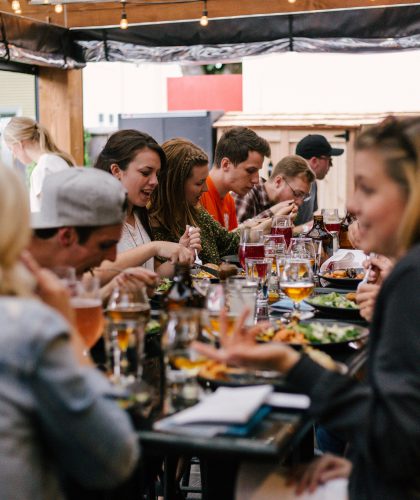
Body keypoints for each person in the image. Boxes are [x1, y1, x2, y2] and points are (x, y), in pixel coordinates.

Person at [195, 116, 420, 498]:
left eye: (366, 188)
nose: (351, 203)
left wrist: (291, 365)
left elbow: (395, 440)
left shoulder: (410, 278)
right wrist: (359, 461)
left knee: (244, 482)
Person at [0, 164, 139, 499]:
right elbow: (115, 459)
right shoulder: (28, 321)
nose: (114, 257)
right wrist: (66, 331)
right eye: (107, 244)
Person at [29, 167, 158, 303]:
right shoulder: (12, 274)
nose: (112, 257)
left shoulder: (59, 264)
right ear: (66, 236)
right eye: (105, 245)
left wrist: (112, 288)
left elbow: (72, 301)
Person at [94, 129, 196, 277]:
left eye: (157, 174)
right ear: (116, 171)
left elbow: (153, 273)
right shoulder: (94, 216)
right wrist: (154, 247)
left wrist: (179, 258)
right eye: (145, 172)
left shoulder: (138, 214)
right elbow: (93, 275)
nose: (155, 181)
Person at [150, 138, 242, 265]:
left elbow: (230, 242)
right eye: (199, 183)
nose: (206, 188)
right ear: (176, 185)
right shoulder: (149, 228)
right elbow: (160, 280)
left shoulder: (196, 213)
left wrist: (268, 223)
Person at [200, 126, 271, 230]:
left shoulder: (229, 201)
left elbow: (231, 245)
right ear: (225, 164)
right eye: (250, 171)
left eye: (258, 171)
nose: (256, 180)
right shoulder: (198, 196)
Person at [3, 116, 74, 212]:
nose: (14, 155)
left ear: (20, 144)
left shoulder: (42, 170)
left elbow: (47, 215)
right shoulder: (57, 160)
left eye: (11, 149)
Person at [233, 154, 315, 223]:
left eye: (304, 197)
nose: (300, 202)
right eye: (297, 194)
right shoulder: (246, 192)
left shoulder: (278, 202)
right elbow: (232, 238)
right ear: (278, 182)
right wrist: (272, 215)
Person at [294, 134, 344, 227]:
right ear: (314, 161)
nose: (330, 166)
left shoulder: (313, 183)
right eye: (329, 160)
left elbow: (308, 219)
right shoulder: (290, 186)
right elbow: (281, 229)